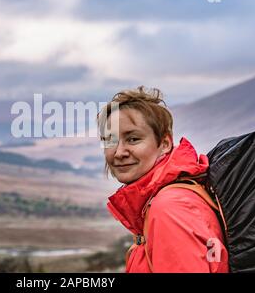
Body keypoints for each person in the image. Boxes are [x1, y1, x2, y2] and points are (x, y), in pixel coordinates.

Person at [97, 86, 229, 273]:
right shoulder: (167, 200)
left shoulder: (169, 208)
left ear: (165, 143)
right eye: (110, 140)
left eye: (133, 139)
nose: (119, 153)